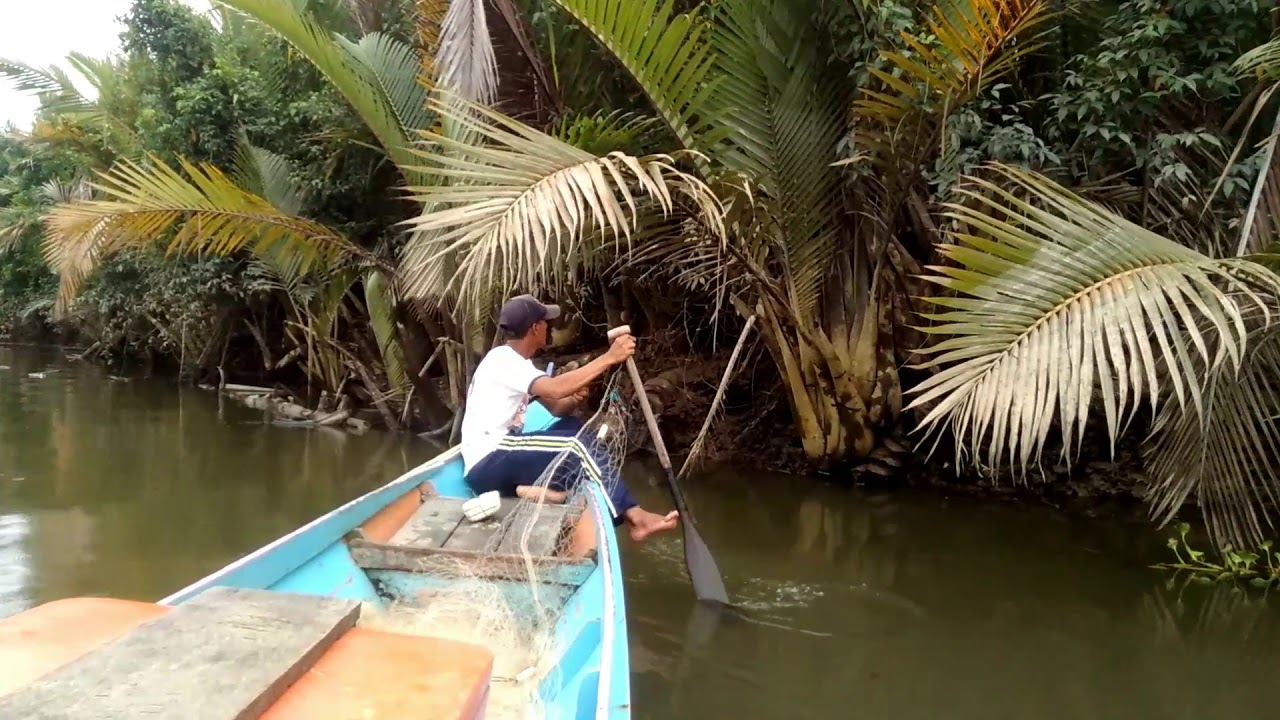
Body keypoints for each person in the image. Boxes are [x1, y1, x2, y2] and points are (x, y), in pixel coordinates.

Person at [460, 294, 679, 542]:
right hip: (489, 461)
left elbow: (556, 407)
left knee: (574, 427)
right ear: (535, 328)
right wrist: (610, 357)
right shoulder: (503, 360)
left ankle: (548, 492)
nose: (549, 326)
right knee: (576, 447)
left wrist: (573, 399)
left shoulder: (519, 364)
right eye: (545, 322)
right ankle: (635, 517)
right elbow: (555, 389)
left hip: (500, 459)